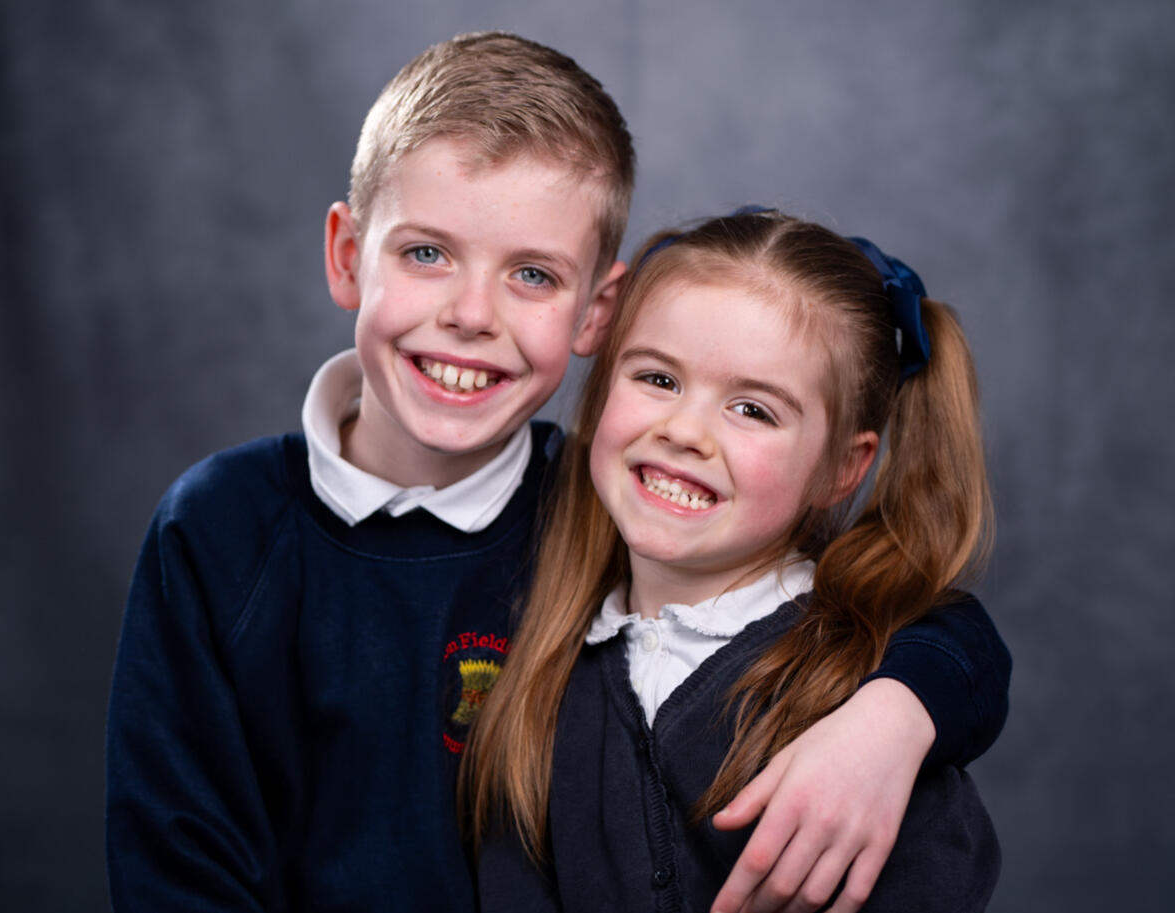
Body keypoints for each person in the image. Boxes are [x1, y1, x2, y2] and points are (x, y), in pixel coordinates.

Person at [106, 31, 1007, 913]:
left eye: (532, 275)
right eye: (426, 253)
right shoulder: (220, 528)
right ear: (348, 256)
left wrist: (895, 716)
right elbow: (176, 859)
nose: (471, 315)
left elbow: (923, 625)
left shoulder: (609, 504)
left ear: (594, 313)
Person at [463, 208, 1004, 913]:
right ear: (600, 393)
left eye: (753, 410)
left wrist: (898, 713)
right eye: (658, 379)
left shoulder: (856, 689)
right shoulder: (546, 656)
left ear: (842, 469)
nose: (685, 431)